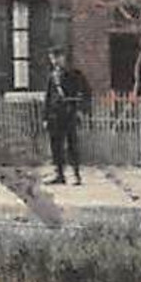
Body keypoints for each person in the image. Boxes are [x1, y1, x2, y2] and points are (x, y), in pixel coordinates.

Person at [43, 46, 91, 185]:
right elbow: (48, 98)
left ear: (63, 58)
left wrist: (81, 110)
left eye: (57, 58)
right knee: (56, 147)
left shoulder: (75, 75)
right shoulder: (52, 76)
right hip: (54, 116)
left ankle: (76, 175)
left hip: (70, 114)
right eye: (52, 59)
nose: (55, 62)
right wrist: (45, 117)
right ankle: (59, 175)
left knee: (72, 145)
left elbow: (86, 93)